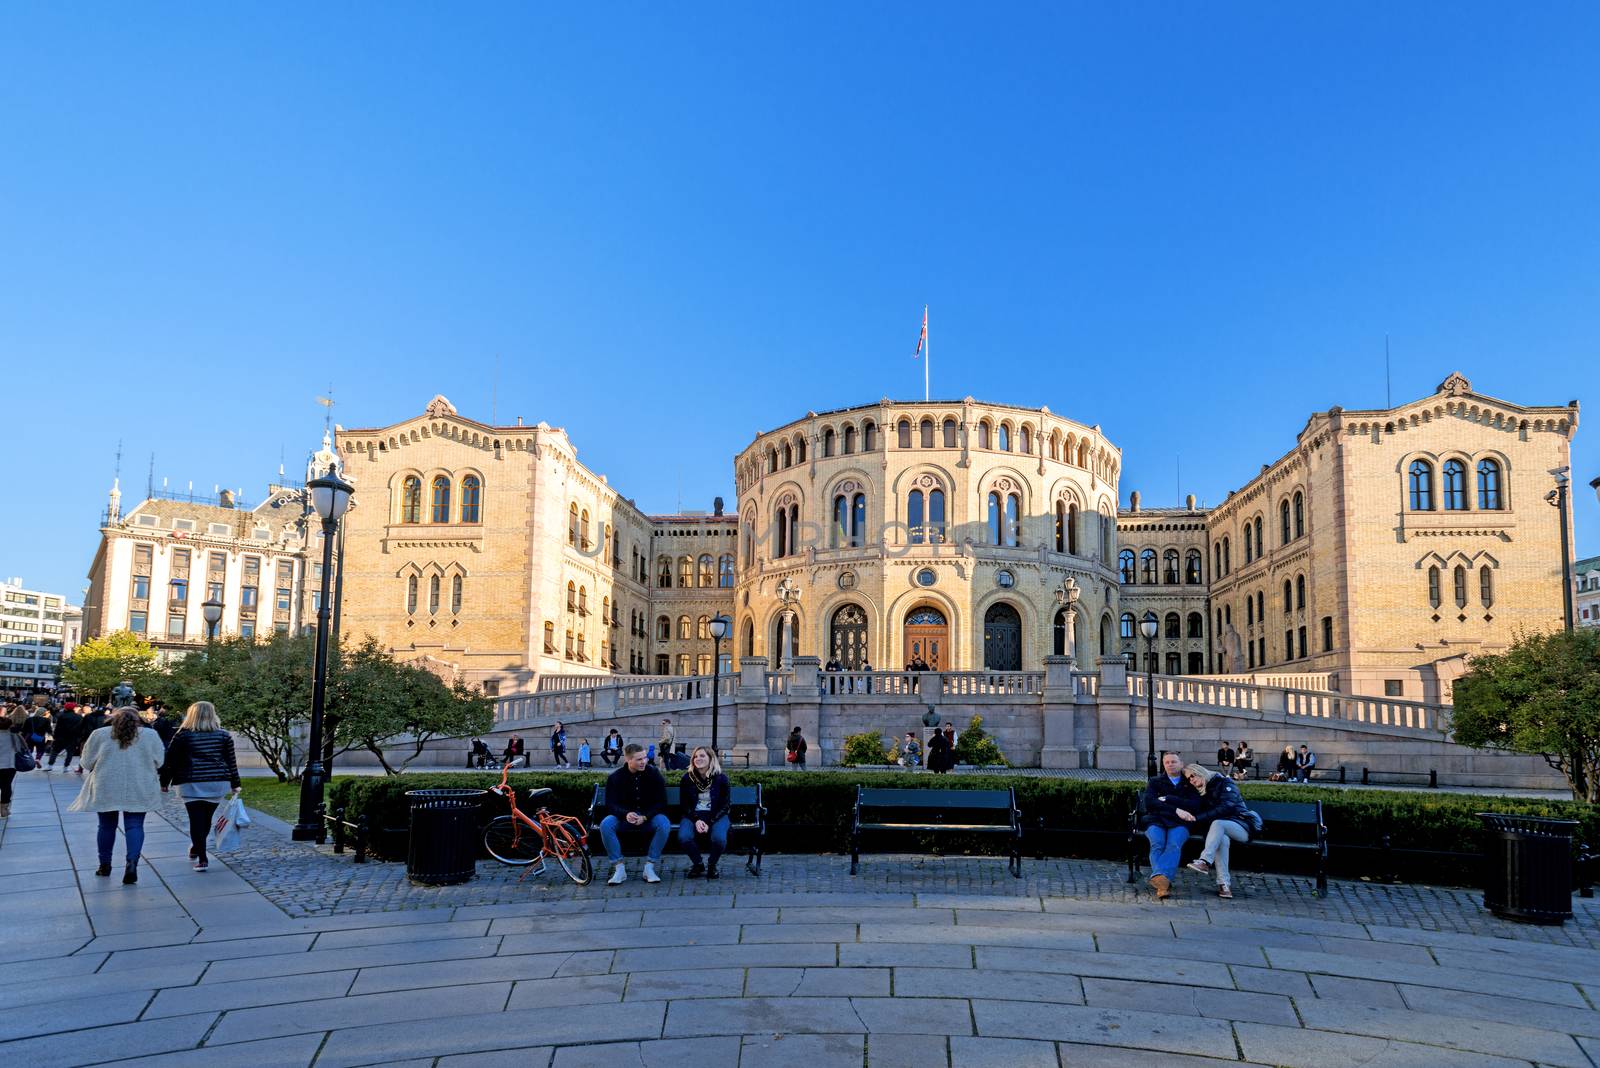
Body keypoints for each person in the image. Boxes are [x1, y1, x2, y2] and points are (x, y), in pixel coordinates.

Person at [69, 707, 165, 884]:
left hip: (106, 783)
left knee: (106, 826)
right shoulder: (150, 735)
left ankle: (104, 864)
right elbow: (160, 760)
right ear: (139, 719)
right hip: (139, 784)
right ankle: (132, 863)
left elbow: (86, 762)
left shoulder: (99, 734)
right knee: (135, 825)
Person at [159, 701, 242, 872]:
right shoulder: (223, 735)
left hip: (191, 781)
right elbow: (230, 762)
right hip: (217, 781)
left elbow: (171, 761)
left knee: (196, 820)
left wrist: (164, 782)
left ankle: (202, 856)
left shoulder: (183, 735)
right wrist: (235, 783)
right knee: (206, 819)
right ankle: (198, 848)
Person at [600, 743, 670, 885]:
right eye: (639, 759)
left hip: (648, 817)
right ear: (628, 760)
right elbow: (611, 804)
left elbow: (662, 802)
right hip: (624, 818)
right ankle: (619, 868)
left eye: (644, 758)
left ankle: (649, 867)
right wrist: (626, 814)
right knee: (606, 824)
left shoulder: (654, 774)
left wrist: (645, 816)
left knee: (664, 823)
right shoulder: (615, 777)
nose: (644, 761)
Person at [1183, 762, 1254, 900]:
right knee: (1221, 840)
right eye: (1188, 779)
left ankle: (1204, 861)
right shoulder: (1201, 791)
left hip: (1241, 826)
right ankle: (1224, 885)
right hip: (1219, 831)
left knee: (1218, 824)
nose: (1191, 780)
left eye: (1193, 775)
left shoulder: (1224, 782)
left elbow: (1227, 807)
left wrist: (1197, 818)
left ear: (1201, 772)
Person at [1141, 751, 1201, 900]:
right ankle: (1163, 883)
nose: (1170, 764)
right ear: (1163, 765)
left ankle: (1161, 881)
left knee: (1173, 845)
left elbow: (1194, 805)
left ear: (1181, 764)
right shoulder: (1155, 782)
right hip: (1156, 820)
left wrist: (1168, 799)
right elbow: (1150, 803)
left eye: (1173, 761)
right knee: (1157, 844)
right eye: (1167, 762)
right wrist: (1176, 809)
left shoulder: (1189, 783)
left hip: (1181, 823)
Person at [678, 746, 731, 879]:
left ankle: (712, 865)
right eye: (695, 756)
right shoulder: (687, 779)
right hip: (693, 816)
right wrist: (696, 820)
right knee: (684, 837)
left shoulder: (721, 779)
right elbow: (684, 805)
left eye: (702, 756)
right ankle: (698, 864)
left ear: (711, 759)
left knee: (719, 839)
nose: (698, 759)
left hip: (717, 816)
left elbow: (725, 805)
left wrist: (709, 821)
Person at [2, 706, 27, 818]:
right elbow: (18, 749)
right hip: (9, 765)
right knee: (6, 786)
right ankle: (4, 809)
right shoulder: (13, 736)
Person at [48, 703, 84, 773]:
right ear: (73, 708)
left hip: (61, 737)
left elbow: (58, 728)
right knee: (70, 753)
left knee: (55, 751)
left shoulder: (61, 716)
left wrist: (55, 736)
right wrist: (79, 738)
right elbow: (80, 729)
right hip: (73, 737)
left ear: (65, 708)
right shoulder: (79, 717)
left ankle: (50, 765)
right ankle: (66, 767)